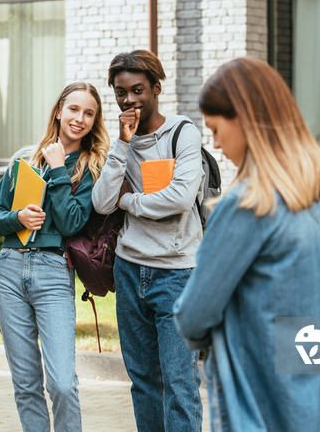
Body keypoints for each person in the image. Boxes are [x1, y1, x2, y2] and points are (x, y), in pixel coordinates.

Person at [173, 57, 320, 432]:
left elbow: (193, 315)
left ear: (244, 118)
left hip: (259, 401)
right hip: (314, 393)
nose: (215, 143)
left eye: (215, 129)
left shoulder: (247, 205)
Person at [91, 49, 204, 431]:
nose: (129, 100)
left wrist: (129, 199)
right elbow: (100, 201)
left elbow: (180, 198)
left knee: (179, 382)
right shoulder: (119, 144)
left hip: (176, 273)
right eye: (120, 92)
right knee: (142, 382)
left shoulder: (182, 132)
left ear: (156, 88)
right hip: (129, 270)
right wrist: (122, 145)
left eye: (137, 90)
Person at [0, 82, 109, 432]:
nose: (80, 118)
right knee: (25, 383)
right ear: (58, 110)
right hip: (9, 269)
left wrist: (57, 170)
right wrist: (18, 218)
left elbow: (71, 223)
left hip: (54, 271)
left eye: (89, 113)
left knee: (62, 384)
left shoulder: (90, 168)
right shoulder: (25, 158)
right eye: (73, 109)